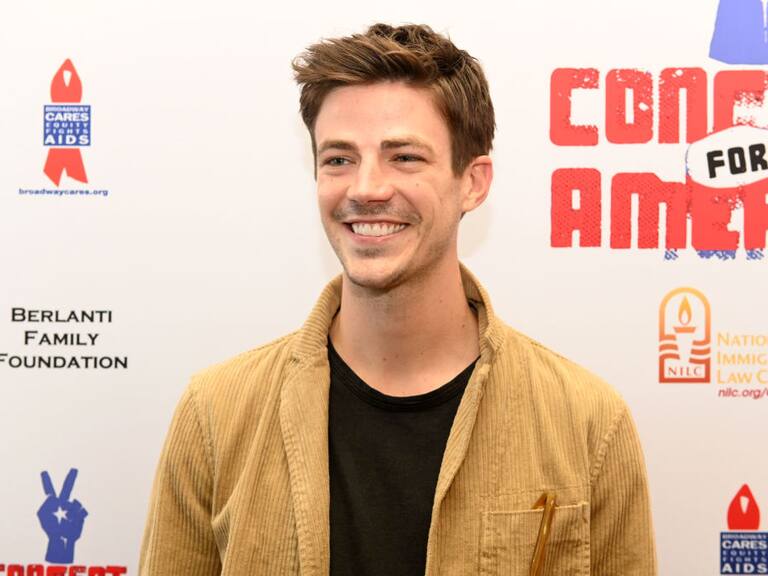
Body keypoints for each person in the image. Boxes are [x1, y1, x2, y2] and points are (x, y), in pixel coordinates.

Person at [139, 23, 657, 576]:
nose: (365, 188)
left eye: (404, 157)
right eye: (338, 159)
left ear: (473, 183)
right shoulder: (215, 413)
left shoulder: (588, 422)